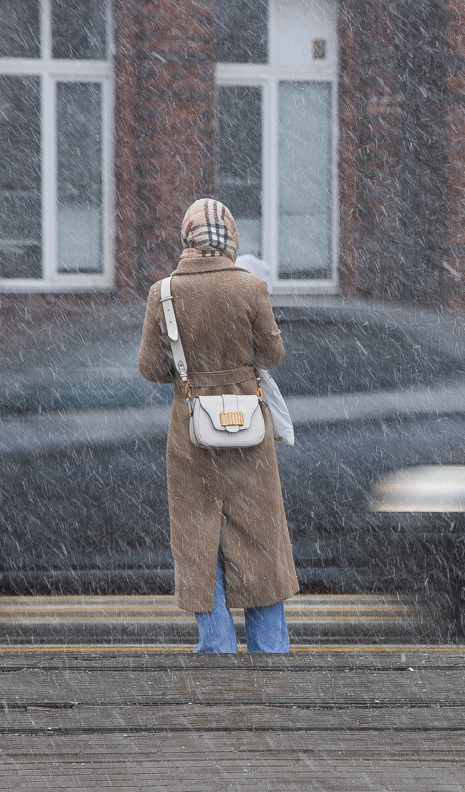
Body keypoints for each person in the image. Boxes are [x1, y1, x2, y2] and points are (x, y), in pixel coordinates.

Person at [137, 198, 299, 652]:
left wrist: (189, 369)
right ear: (230, 238)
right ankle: (270, 645)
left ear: (186, 238)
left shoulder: (163, 293)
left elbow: (150, 367)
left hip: (192, 429)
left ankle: (217, 644)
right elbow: (272, 356)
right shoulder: (250, 288)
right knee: (260, 535)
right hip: (248, 424)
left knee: (199, 534)